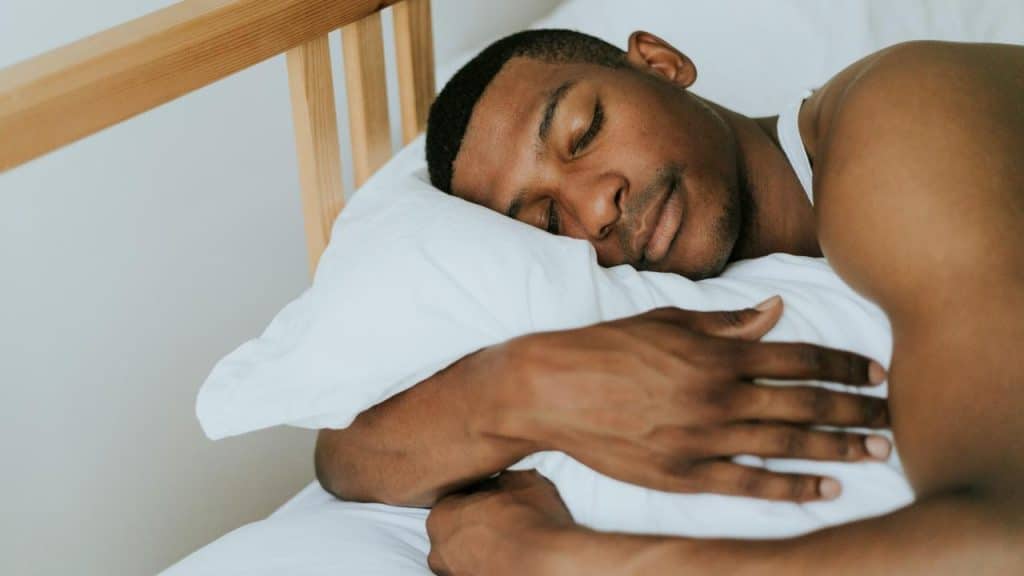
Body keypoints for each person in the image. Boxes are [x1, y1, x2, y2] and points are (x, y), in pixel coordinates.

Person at [318, 29, 1024, 574]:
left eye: (585, 132)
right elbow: (345, 457)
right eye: (548, 223)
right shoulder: (683, 282)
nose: (596, 207)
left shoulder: (898, 120)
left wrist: (558, 559)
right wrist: (521, 390)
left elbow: (1004, 537)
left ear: (660, 63)